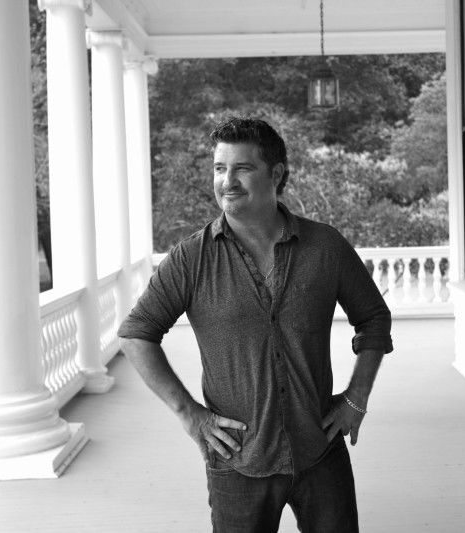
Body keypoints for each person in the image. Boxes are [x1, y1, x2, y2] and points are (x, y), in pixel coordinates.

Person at [117, 117, 393, 533]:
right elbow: (136, 335)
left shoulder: (325, 246)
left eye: (242, 168)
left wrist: (357, 398)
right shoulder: (192, 259)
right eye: (219, 168)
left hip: (320, 450)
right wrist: (190, 414)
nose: (226, 181)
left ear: (276, 174)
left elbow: (373, 317)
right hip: (238, 462)